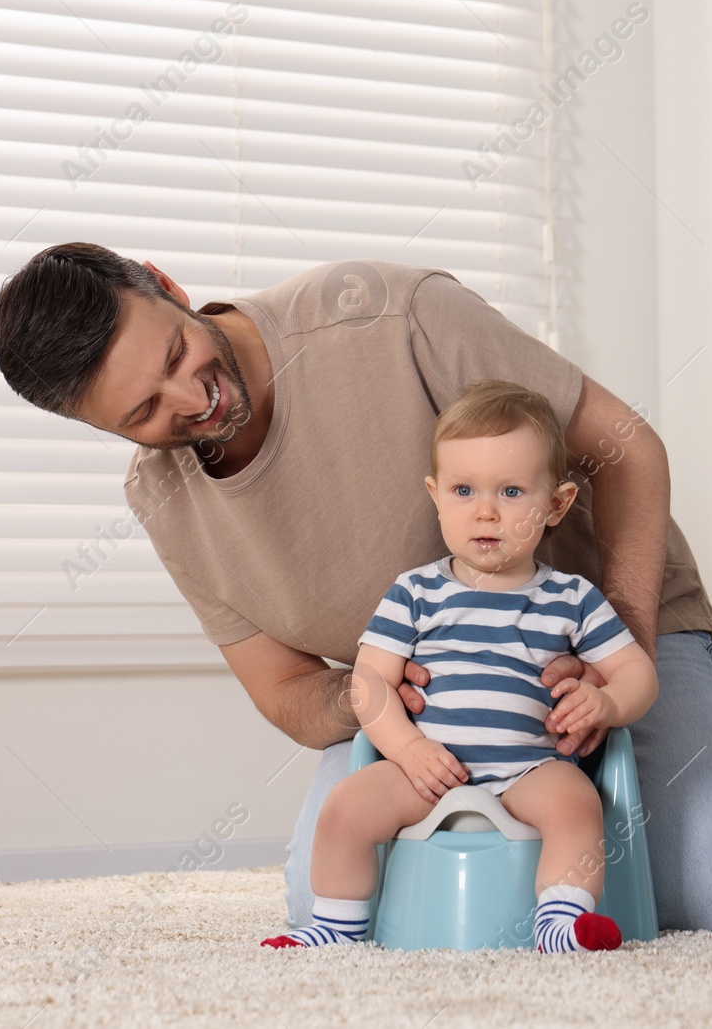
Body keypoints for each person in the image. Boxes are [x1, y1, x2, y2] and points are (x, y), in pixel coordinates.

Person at [0, 243, 712, 933]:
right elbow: (284, 687)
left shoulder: (393, 314)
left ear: (165, 284)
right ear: (105, 428)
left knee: (707, 898)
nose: (193, 402)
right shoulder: (162, 497)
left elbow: (631, 451)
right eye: (144, 412)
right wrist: (380, 697)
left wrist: (617, 653)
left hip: (614, 630)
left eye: (173, 357)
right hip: (425, 717)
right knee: (321, 897)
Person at [260, 380, 659, 952]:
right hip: (428, 769)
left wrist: (610, 701)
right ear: (436, 494)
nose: (487, 511)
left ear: (557, 505)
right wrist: (406, 749)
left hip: (528, 769)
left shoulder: (572, 598)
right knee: (345, 807)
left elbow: (638, 673)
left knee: (577, 803)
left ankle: (560, 920)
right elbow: (370, 682)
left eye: (513, 491)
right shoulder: (414, 592)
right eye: (465, 490)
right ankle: (336, 924)